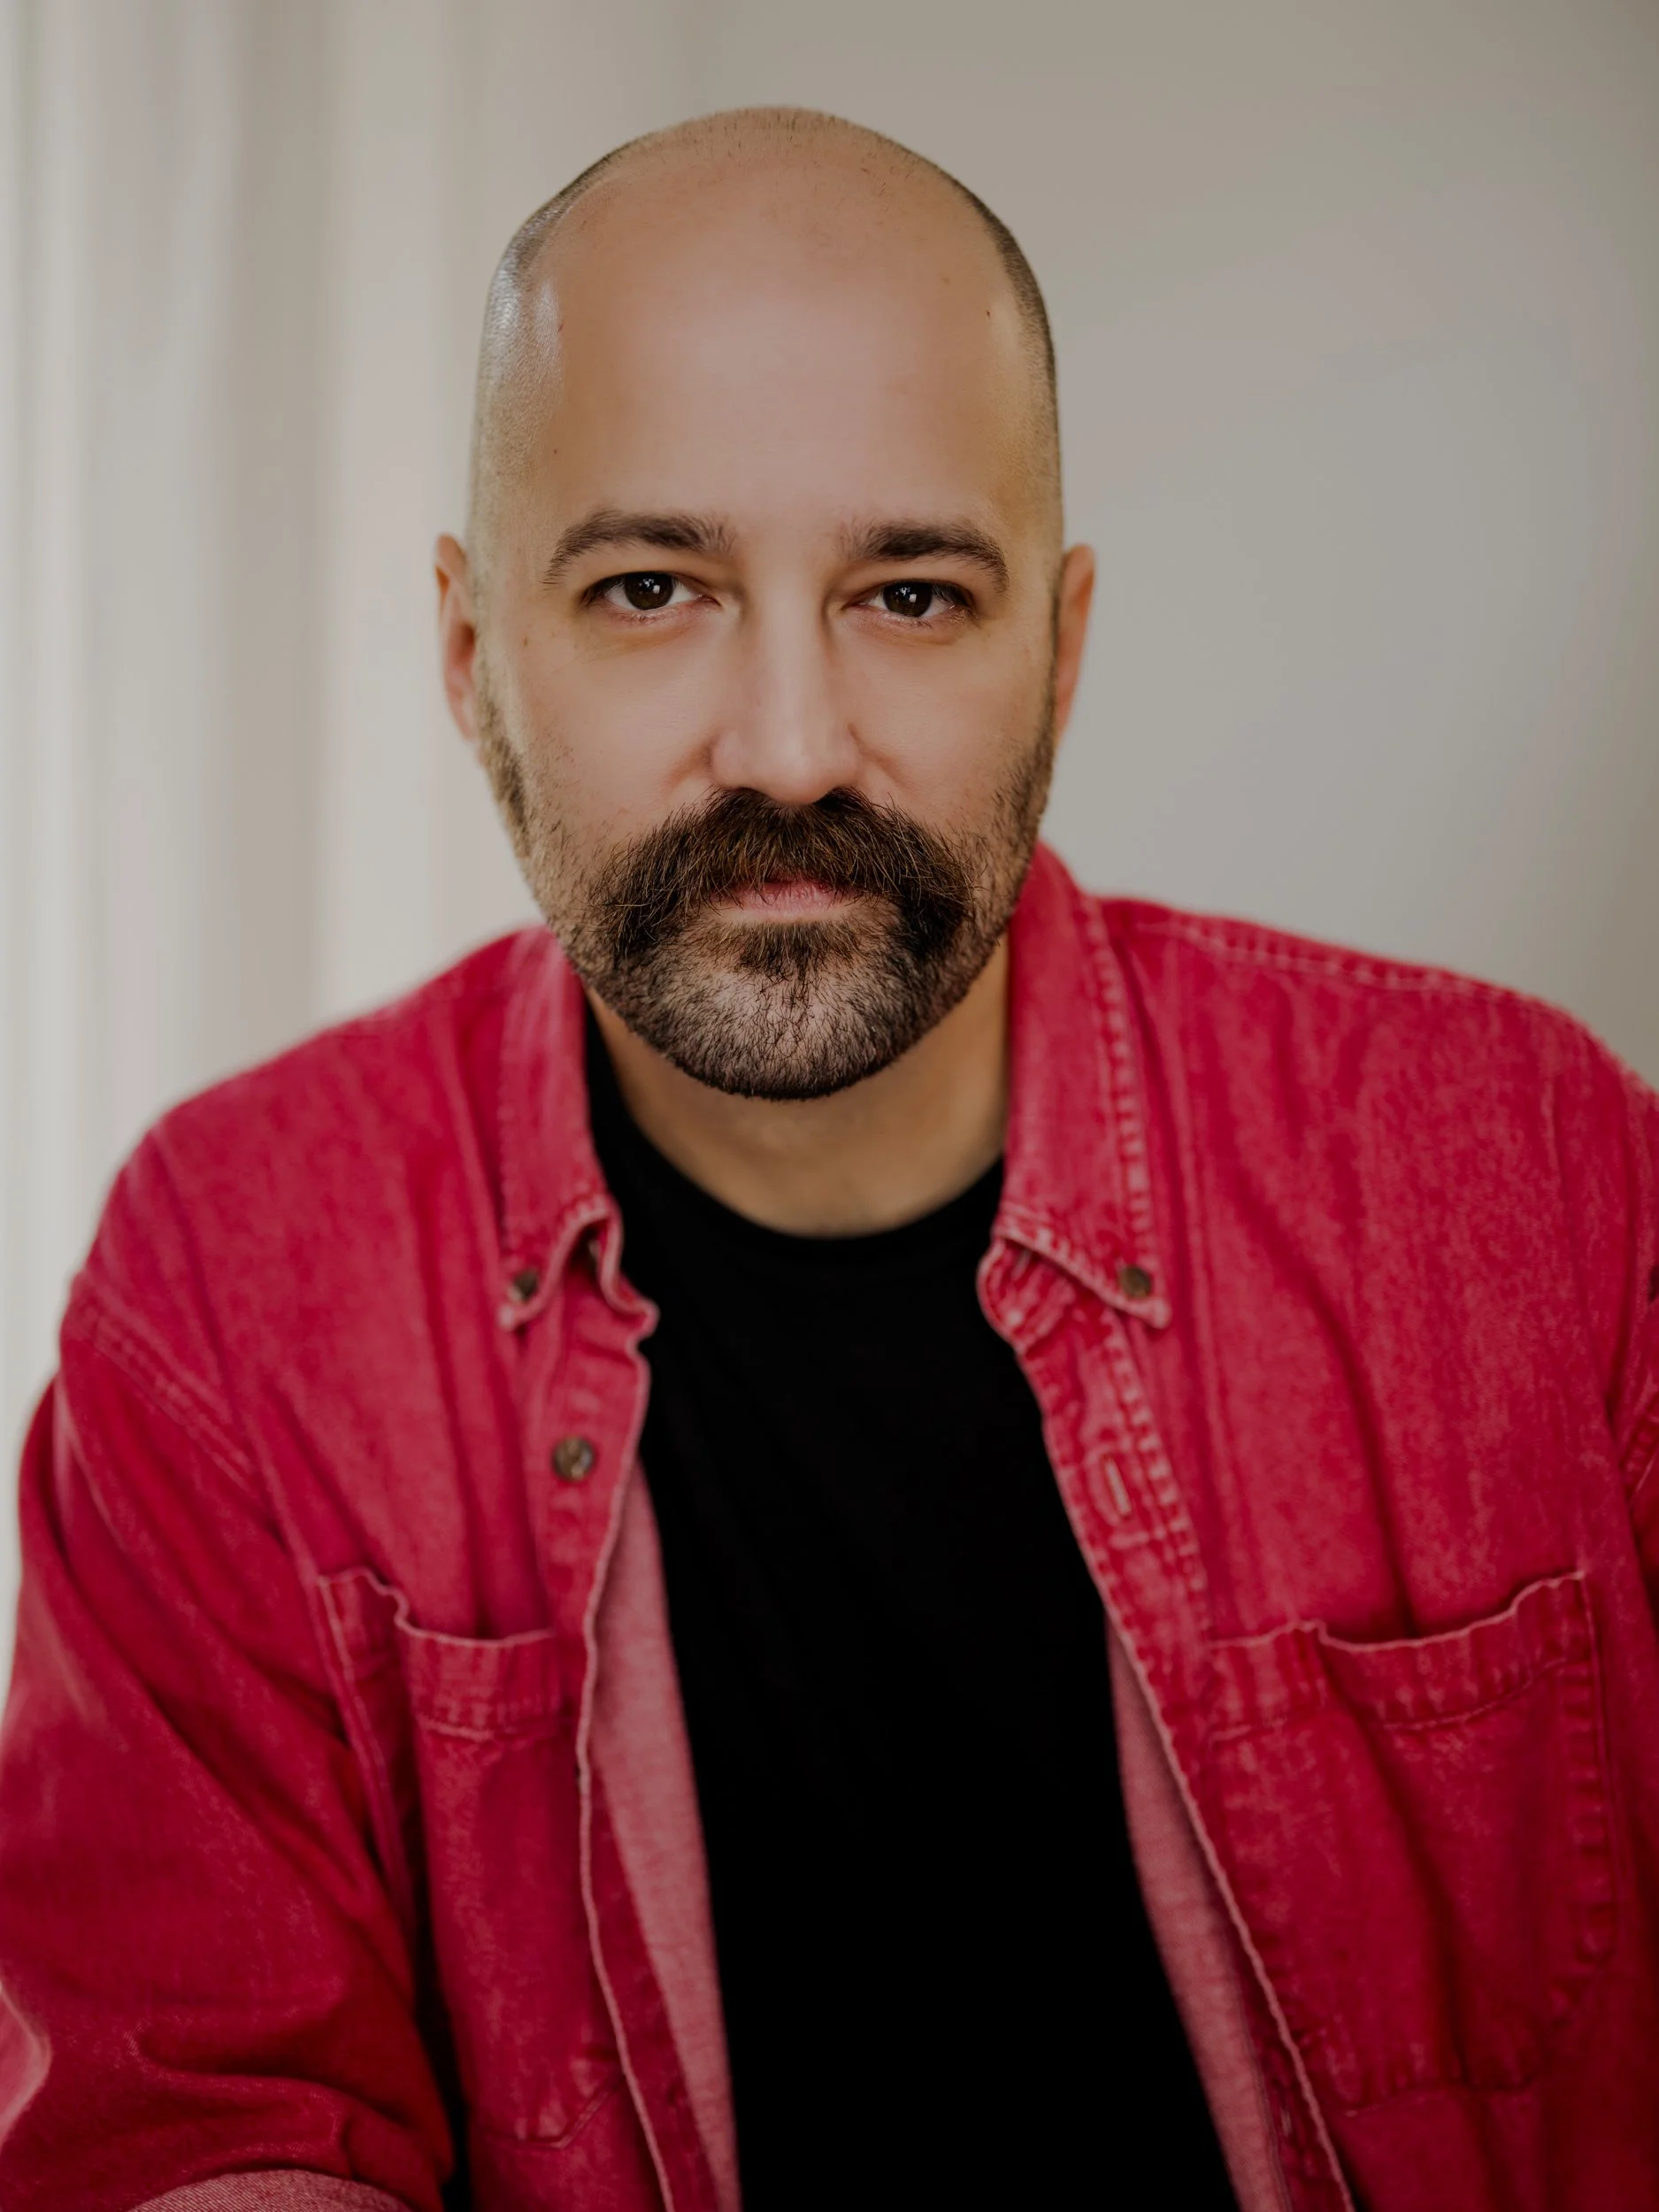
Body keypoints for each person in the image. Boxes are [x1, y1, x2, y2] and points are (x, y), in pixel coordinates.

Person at [0, 103, 1655, 2212]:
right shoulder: (229, 1293)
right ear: (468, 651)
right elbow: (197, 2138)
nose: (788, 743)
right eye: (648, 584)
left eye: (907, 590)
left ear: (1057, 648)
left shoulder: (1535, 1177)